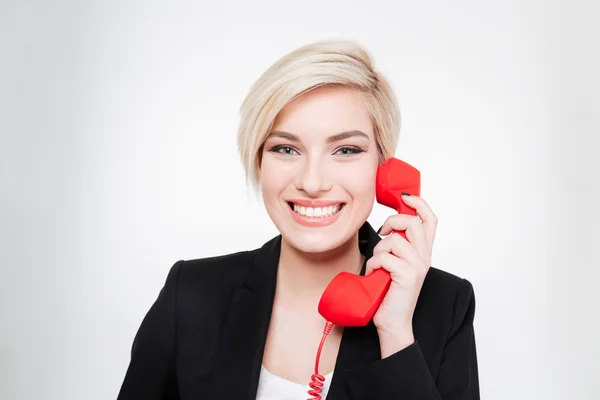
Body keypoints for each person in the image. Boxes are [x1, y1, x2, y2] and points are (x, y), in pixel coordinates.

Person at [116, 40, 480, 400]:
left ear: (384, 169)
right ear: (259, 162)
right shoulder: (192, 294)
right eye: (285, 149)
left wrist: (396, 333)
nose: (312, 182)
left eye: (346, 150)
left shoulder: (445, 304)